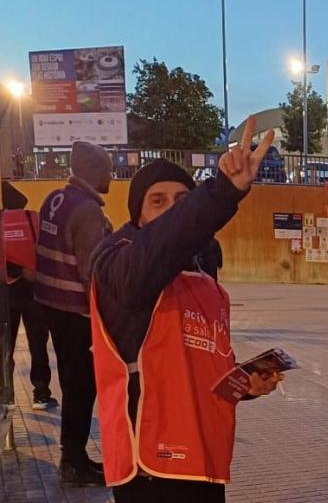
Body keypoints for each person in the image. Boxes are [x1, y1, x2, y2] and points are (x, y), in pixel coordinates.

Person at [90, 124, 282, 501]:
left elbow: (196, 361)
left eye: (182, 199)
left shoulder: (198, 270)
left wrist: (246, 383)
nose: (172, 209)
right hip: (150, 461)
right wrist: (222, 192)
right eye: (157, 201)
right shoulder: (119, 259)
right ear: (138, 215)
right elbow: (162, 246)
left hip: (202, 453)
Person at [34, 141, 113, 486]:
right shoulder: (88, 211)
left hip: (49, 303)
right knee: (82, 386)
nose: (111, 176)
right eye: (108, 170)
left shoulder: (54, 198)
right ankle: (73, 462)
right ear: (94, 172)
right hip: (74, 310)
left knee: (72, 382)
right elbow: (91, 271)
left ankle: (75, 457)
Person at [0, 181, 55, 410]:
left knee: (5, 344)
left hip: (3, 290)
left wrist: (11, 270)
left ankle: (6, 395)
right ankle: (42, 394)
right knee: (38, 342)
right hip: (33, 288)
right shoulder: (32, 218)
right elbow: (47, 248)